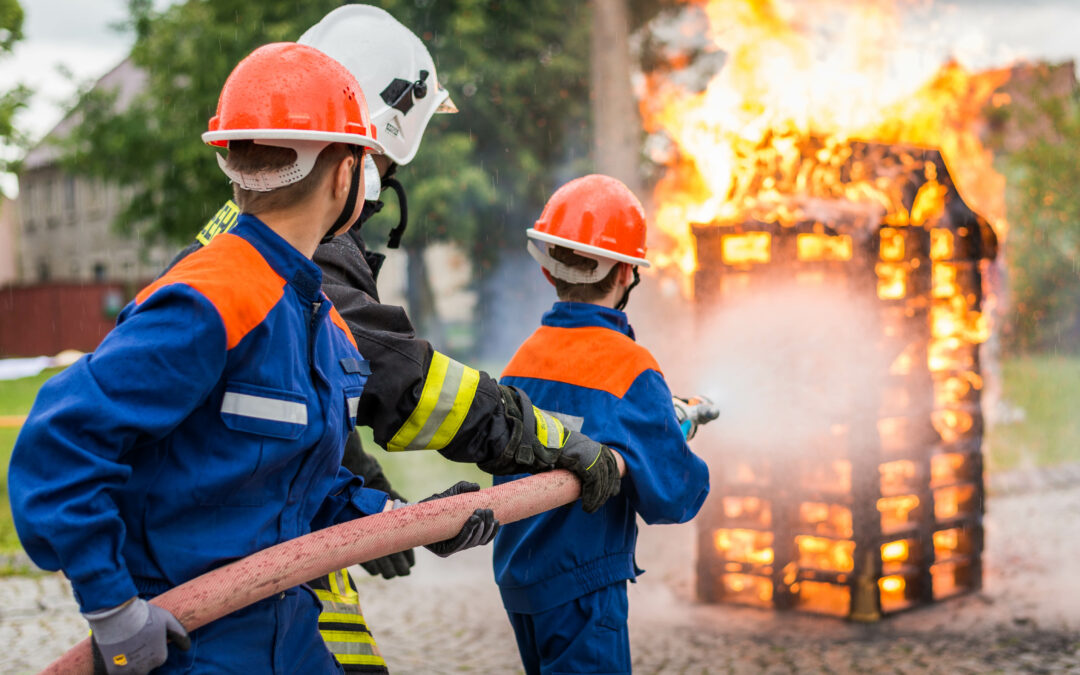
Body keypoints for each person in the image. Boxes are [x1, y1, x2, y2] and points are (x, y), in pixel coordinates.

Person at [8, 43, 497, 675]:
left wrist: (410, 521)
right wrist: (115, 612)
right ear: (345, 171)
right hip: (190, 644)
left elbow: (304, 484)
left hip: (288, 630)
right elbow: (58, 447)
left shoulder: (317, 317)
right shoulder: (209, 300)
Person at [174, 9, 625, 671]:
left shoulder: (254, 237)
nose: (374, 181)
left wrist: (375, 510)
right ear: (351, 155)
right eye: (377, 158)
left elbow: (299, 410)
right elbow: (406, 382)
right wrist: (550, 439)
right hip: (236, 574)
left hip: (253, 541)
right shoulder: (296, 251)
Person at [492, 175, 716, 675]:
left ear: (550, 271)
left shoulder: (523, 359)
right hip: (583, 582)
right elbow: (674, 496)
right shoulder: (631, 367)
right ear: (627, 274)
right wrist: (670, 437)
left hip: (521, 578)